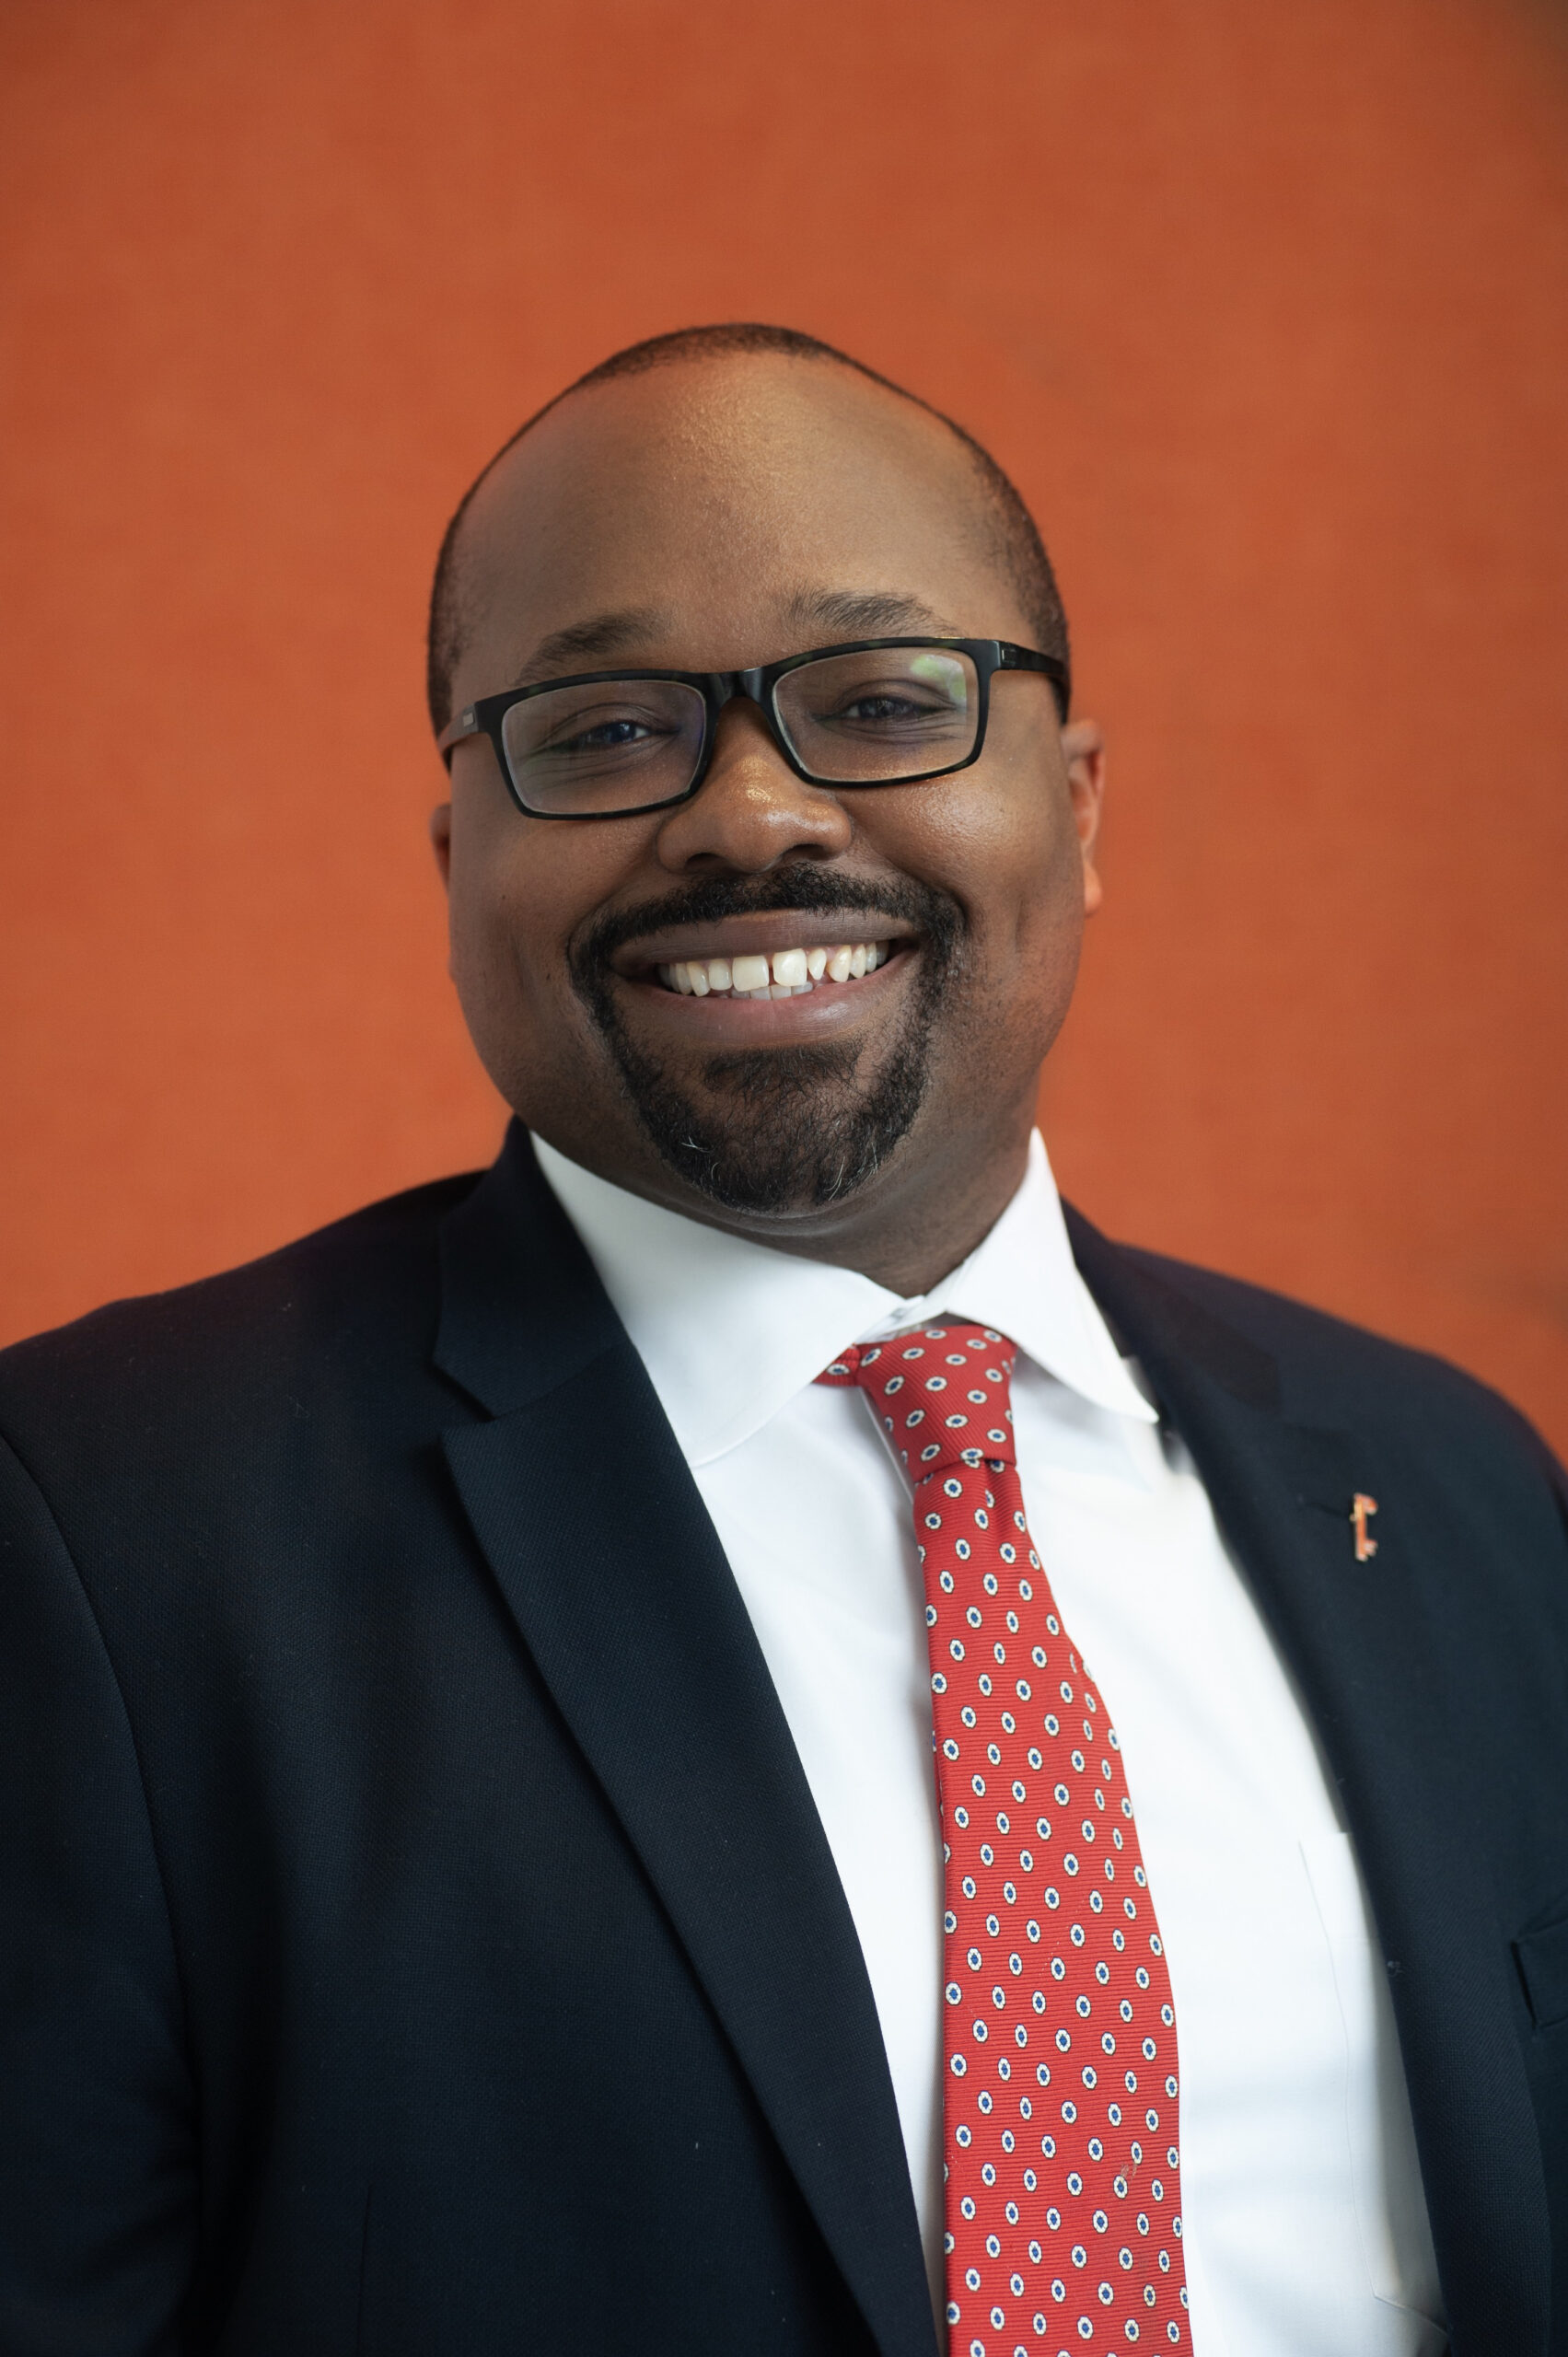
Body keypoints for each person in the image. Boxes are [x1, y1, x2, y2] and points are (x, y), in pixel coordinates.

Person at [1, 323, 1562, 2357]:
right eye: (604, 729)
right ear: (458, 859)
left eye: (884, 701)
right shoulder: (99, 1536)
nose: (751, 814)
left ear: (1078, 805)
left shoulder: (1453, 1487)